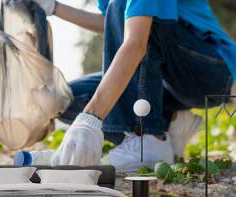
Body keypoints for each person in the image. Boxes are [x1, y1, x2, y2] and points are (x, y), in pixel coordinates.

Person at [33, 0, 235, 171]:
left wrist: (90, 117)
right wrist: (53, 7)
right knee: (63, 99)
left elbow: (136, 42)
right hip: (165, 78)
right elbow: (111, 21)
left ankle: (149, 137)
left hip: (211, 74)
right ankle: (168, 121)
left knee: (137, 17)